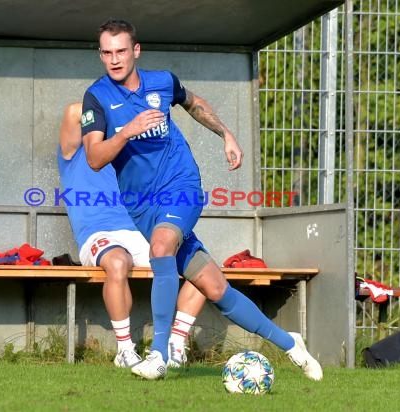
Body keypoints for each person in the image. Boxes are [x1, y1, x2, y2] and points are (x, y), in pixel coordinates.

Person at [81, 18, 323, 381]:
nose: (114, 59)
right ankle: (290, 344)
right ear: (101, 55)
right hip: (142, 205)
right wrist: (127, 132)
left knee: (162, 245)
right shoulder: (97, 96)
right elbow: (95, 157)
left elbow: (194, 104)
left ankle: (159, 355)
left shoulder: (162, 82)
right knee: (216, 288)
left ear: (136, 51)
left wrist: (227, 135)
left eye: (121, 51)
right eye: (107, 52)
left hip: (182, 185)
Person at [58, 102, 205, 368]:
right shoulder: (75, 152)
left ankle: (176, 345)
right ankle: (125, 349)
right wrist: (120, 112)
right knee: (117, 263)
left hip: (141, 230)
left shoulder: (132, 155)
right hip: (99, 233)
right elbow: (73, 112)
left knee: (202, 269)